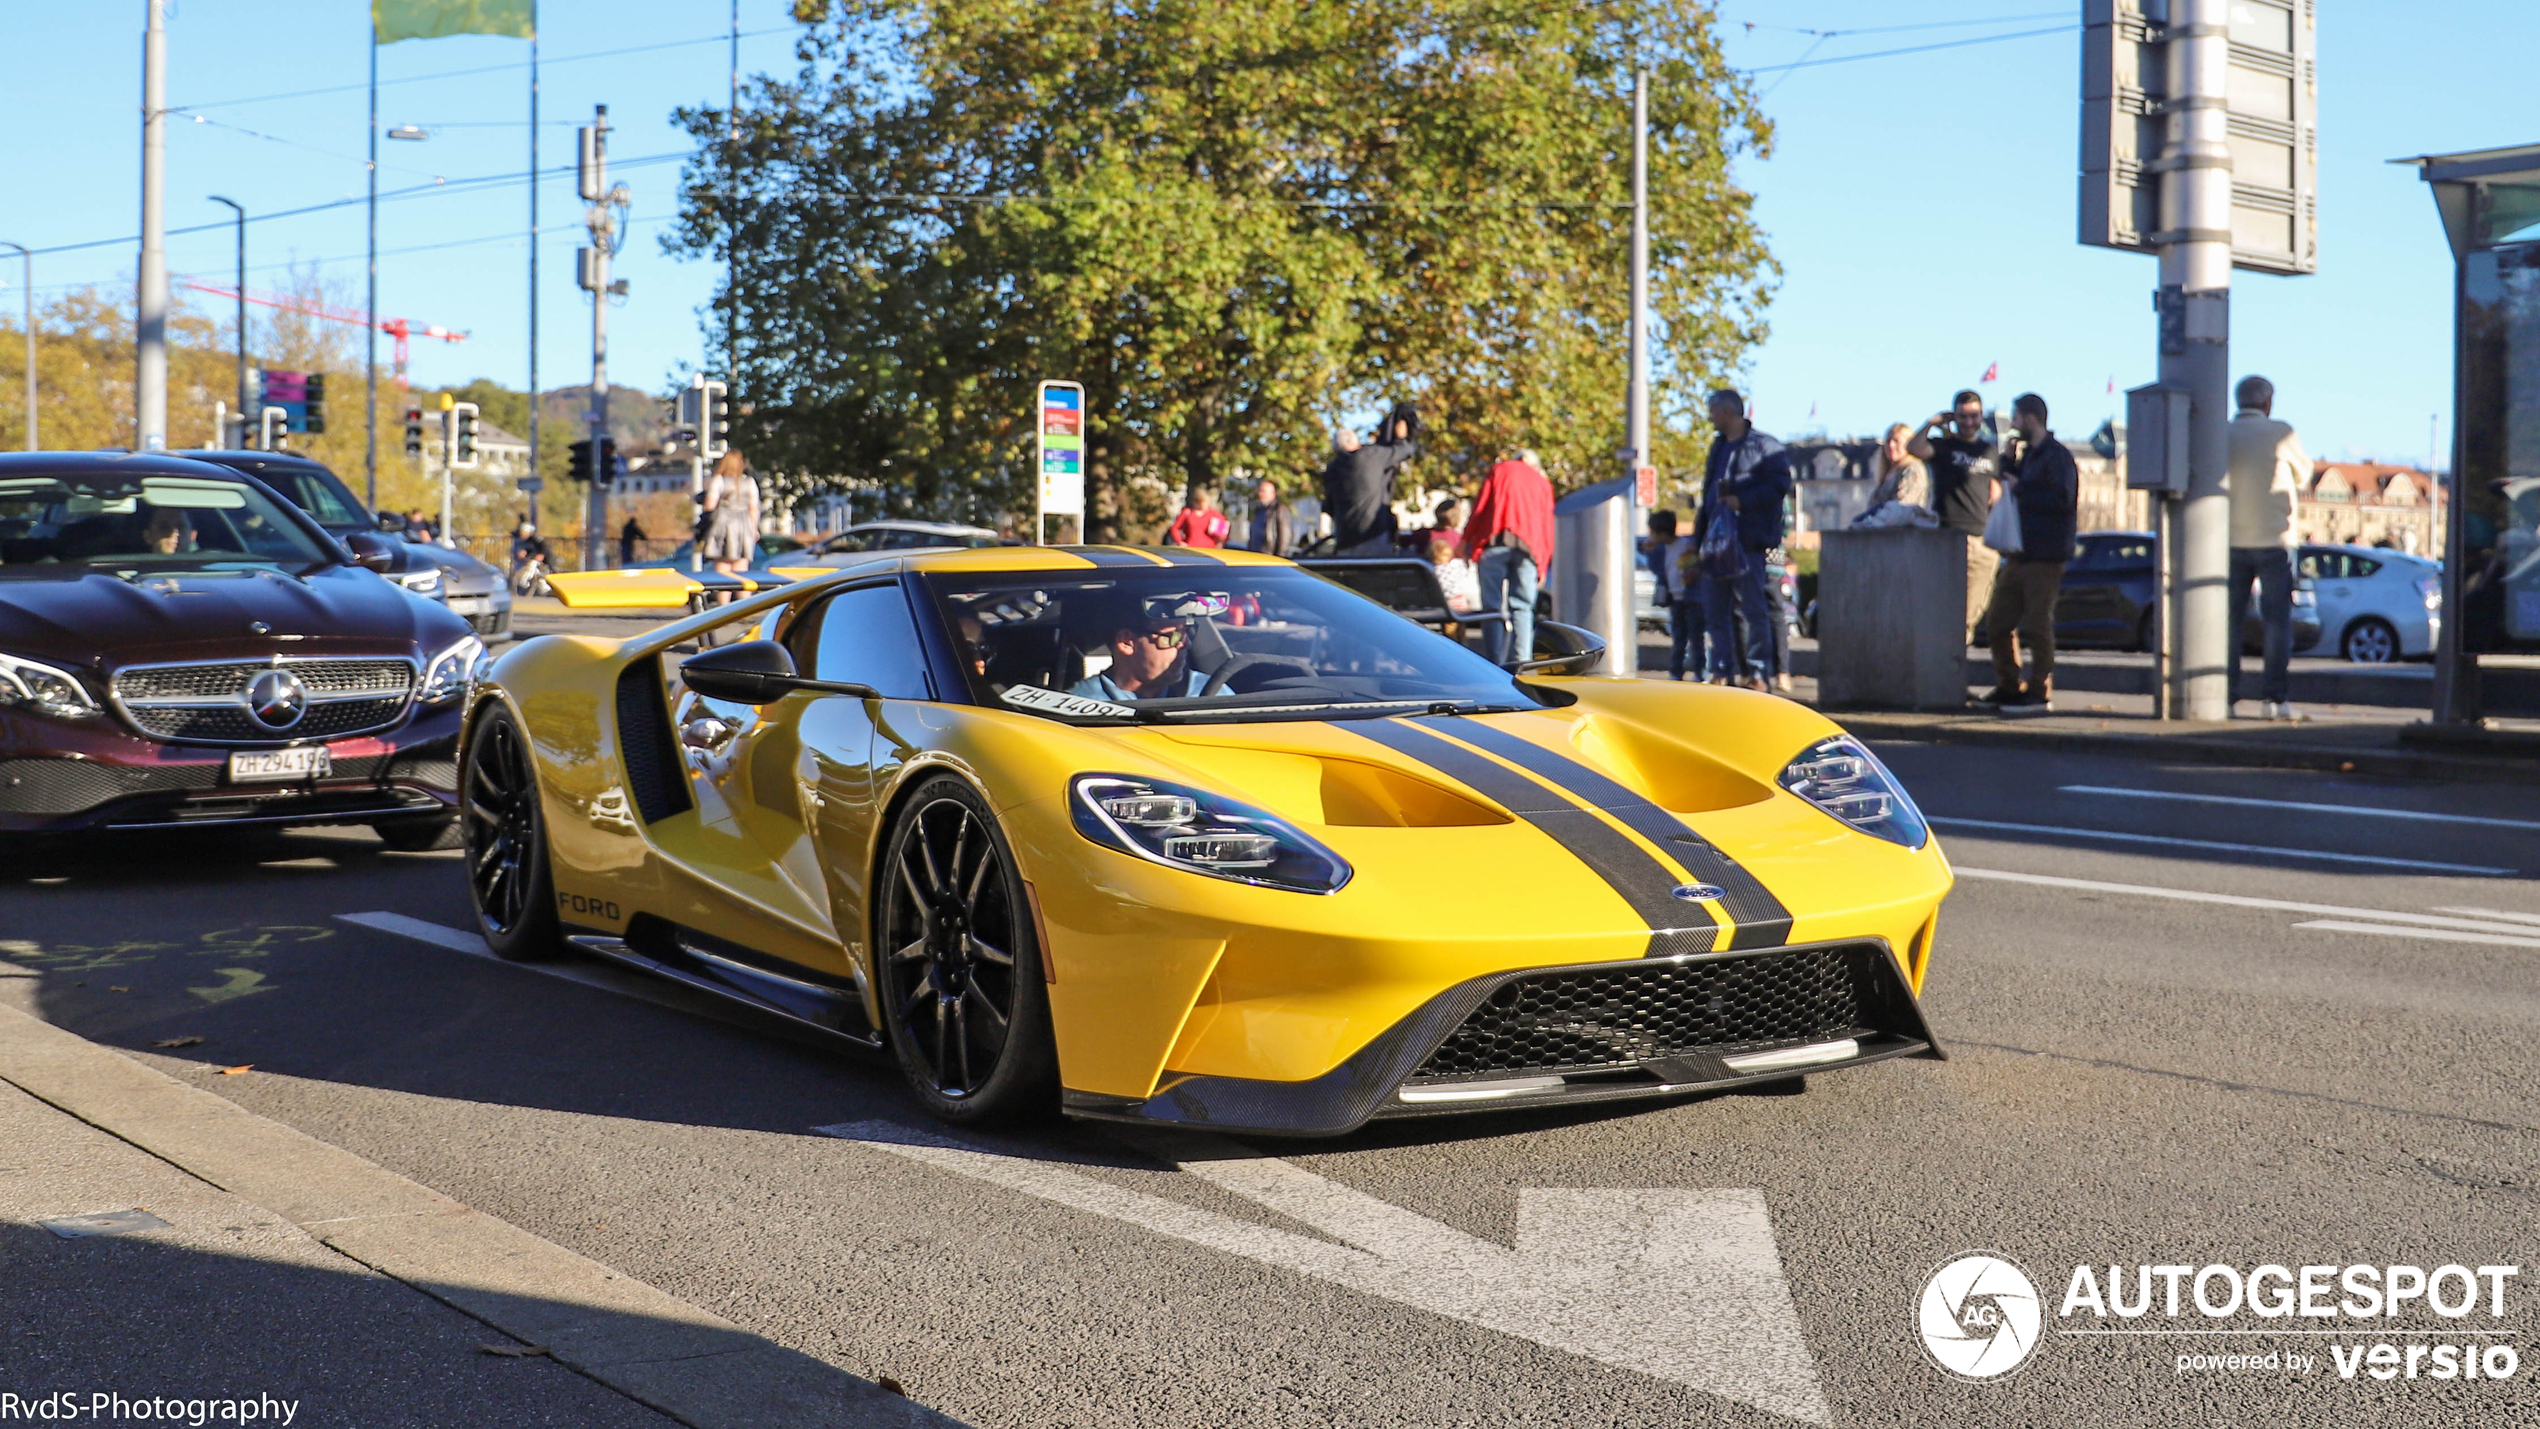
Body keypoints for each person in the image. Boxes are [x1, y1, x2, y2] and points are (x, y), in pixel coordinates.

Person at [1975, 393, 2079, 712]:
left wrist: (2022, 488)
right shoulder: (2029, 456)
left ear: (2030, 418)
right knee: (1998, 622)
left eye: (2016, 418)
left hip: (2045, 554)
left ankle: (2039, 690)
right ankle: (2009, 685)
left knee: (2036, 623)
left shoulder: (2056, 457)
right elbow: (2012, 483)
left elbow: (2062, 500)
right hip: (2020, 553)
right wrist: (2008, 460)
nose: (2013, 425)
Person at [1693, 389, 1794, 690]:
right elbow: (1708, 494)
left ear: (1727, 412)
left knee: (1753, 608)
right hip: (1716, 544)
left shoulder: (1764, 446)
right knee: (1716, 610)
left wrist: (1743, 501)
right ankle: (1722, 670)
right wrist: (1698, 539)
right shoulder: (1718, 446)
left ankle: (1758, 672)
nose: (1710, 418)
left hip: (1748, 540)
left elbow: (1779, 486)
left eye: (1712, 411)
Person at [2228, 375, 2308, 721]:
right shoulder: (2281, 432)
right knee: (2277, 623)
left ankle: (2226, 697)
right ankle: (2274, 699)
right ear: (2267, 402)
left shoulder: (2222, 432)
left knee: (2229, 623)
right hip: (2275, 540)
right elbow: (2304, 474)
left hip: (2230, 540)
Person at [1908, 390, 2002, 642]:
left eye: (1974, 416)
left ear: (1982, 416)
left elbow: (1997, 488)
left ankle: (1952, 664)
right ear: (1955, 416)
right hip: (1948, 537)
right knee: (1944, 610)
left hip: (1982, 540)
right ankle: (1945, 668)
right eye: (1962, 416)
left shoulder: (1989, 451)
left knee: (1969, 615)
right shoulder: (1944, 447)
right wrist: (1931, 423)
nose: (1969, 422)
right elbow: (1914, 448)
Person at [1464, 448, 1556, 667]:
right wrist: (1543, 564)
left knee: (1492, 608)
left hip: (1495, 543)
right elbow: (1547, 527)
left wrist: (1466, 540)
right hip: (1529, 550)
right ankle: (1521, 662)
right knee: (1523, 608)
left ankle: (1494, 662)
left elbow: (1481, 507)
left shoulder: (1500, 469)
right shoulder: (1542, 482)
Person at [1069, 598, 1209, 702]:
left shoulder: (1208, 691)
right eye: (1173, 636)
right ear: (1126, 642)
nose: (1186, 644)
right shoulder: (1080, 706)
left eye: (1187, 632)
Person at [1319, 412, 1419, 556]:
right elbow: (1405, 451)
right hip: (1374, 535)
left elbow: (1328, 507)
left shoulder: (1332, 469)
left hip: (1344, 539)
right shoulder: (1370, 456)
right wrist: (1401, 436)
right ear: (1355, 442)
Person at [1644, 509, 1701, 681]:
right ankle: (1676, 672)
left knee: (1695, 637)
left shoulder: (1686, 545)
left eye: (1653, 532)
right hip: (1674, 599)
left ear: (1660, 532)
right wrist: (1650, 553)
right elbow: (1658, 571)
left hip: (1691, 598)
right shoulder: (1661, 550)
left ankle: (1700, 671)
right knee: (1679, 638)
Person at [700, 450, 763, 576]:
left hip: (722, 525)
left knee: (723, 571)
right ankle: (746, 596)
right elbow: (754, 508)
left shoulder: (719, 480)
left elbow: (710, 506)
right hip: (744, 526)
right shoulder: (750, 482)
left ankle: (724, 595)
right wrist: (754, 529)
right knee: (742, 570)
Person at [1868, 423, 1930, 510]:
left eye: (1896, 441)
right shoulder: (1887, 474)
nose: (1891, 445)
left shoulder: (1913, 470)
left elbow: (1904, 505)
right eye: (1888, 441)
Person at [1162, 485, 1229, 548]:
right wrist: (1179, 542)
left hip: (1210, 548)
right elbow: (1175, 528)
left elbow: (1224, 530)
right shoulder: (1187, 512)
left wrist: (1220, 543)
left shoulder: (1213, 514)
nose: (1206, 505)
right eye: (1203, 503)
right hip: (1191, 548)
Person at [1245, 478, 1299, 556]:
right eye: (1260, 491)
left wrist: (1279, 559)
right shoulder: (1259, 510)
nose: (1261, 494)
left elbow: (1285, 536)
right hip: (1256, 557)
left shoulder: (1279, 509)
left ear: (1273, 494)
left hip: (1270, 557)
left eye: (1264, 491)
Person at [1428, 533, 1479, 614]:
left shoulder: (1430, 570)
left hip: (1441, 604)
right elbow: (1466, 568)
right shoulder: (1455, 565)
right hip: (1458, 601)